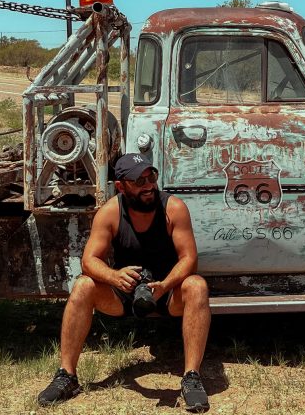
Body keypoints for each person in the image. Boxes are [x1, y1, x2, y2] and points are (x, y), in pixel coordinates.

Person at [38, 153, 211, 412]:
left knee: (197, 285)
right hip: (125, 292)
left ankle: (192, 378)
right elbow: (89, 260)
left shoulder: (173, 208)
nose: (148, 185)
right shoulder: (111, 211)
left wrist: (164, 284)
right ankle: (67, 375)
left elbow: (189, 259)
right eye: (139, 181)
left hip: (166, 291)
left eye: (151, 177)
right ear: (121, 186)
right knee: (83, 285)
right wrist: (114, 277)